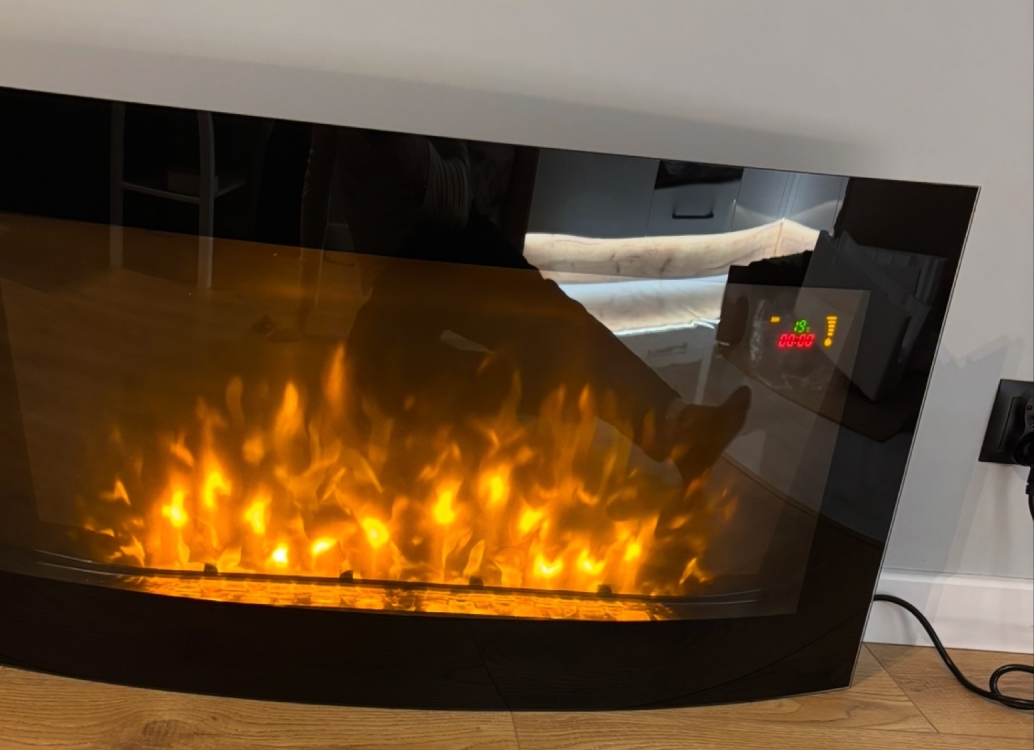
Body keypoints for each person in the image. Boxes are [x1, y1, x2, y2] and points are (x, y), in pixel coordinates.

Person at [301, 127, 750, 488]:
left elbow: (452, 201)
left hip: (445, 247)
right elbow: (322, 184)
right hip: (415, 264)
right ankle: (670, 426)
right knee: (388, 375)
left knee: (556, 333)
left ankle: (675, 426)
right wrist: (302, 302)